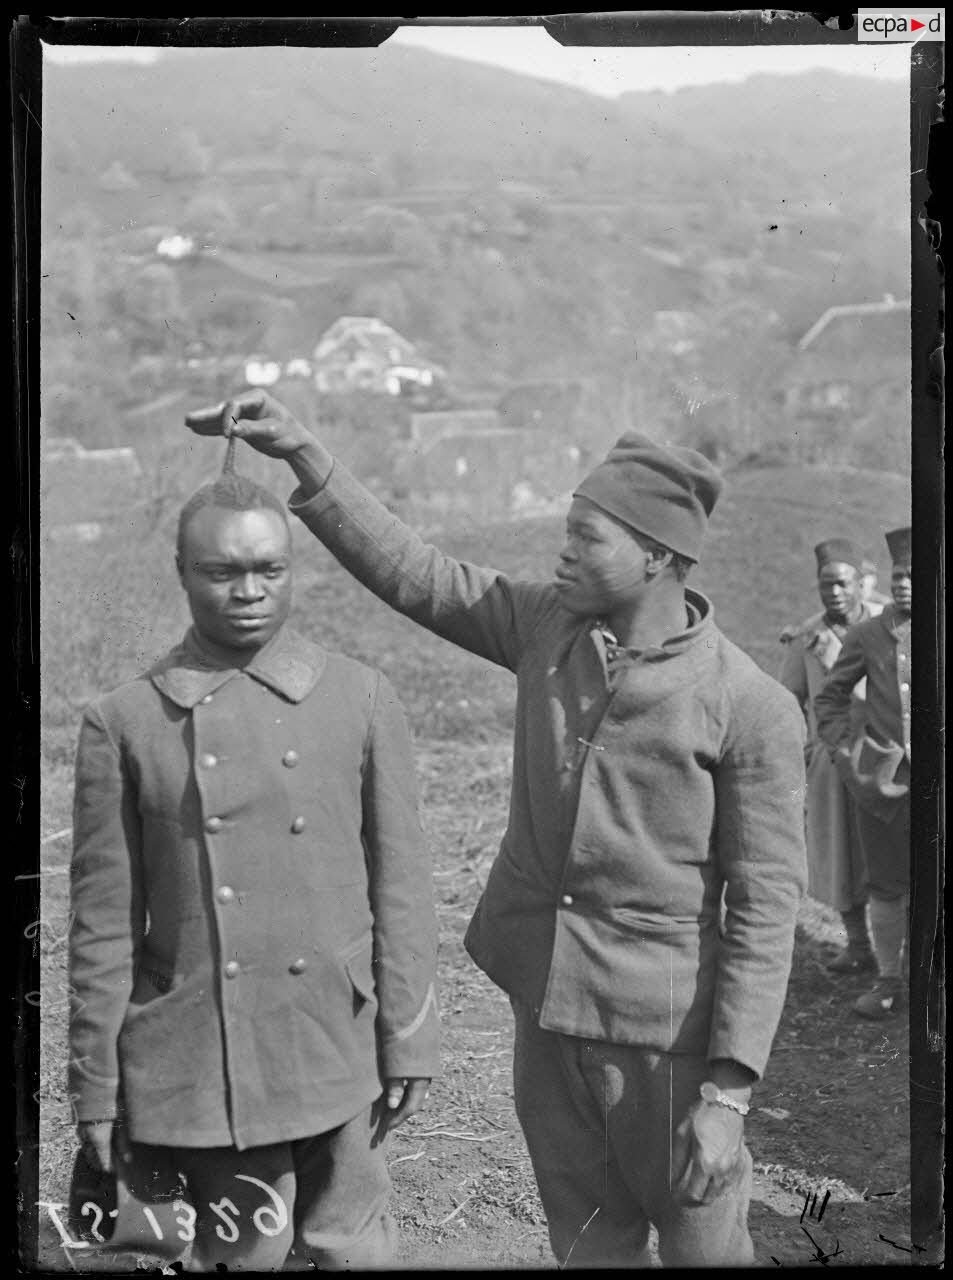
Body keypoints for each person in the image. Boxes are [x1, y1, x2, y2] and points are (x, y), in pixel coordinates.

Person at [187, 391, 808, 1269]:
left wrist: (730, 1094)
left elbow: (764, 908)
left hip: (666, 1044)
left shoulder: (749, 707)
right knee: (590, 1246)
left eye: (587, 535)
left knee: (706, 1250)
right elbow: (418, 574)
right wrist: (305, 455)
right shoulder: (545, 625)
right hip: (546, 1011)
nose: (563, 547)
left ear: (659, 556)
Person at [67, 465, 439, 1271]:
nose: (249, 592)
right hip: (201, 1058)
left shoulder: (361, 699)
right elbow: (101, 931)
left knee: (353, 1253)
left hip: (331, 1043)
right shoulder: (124, 722)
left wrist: (408, 1038)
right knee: (240, 1255)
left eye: (269, 569)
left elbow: (402, 888)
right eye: (222, 572)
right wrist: (94, 1089)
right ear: (181, 574)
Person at [815, 527, 911, 1020]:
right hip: (884, 786)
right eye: (898, 576)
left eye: (915, 576)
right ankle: (889, 981)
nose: (904, 585)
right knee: (888, 886)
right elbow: (829, 697)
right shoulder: (867, 634)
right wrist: (845, 750)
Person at [778, 538, 883, 973]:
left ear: (862, 583)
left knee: (890, 854)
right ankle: (858, 945)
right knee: (841, 854)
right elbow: (788, 698)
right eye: (826, 586)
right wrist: (805, 749)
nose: (834, 593)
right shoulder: (806, 637)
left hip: (885, 756)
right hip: (833, 761)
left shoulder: (890, 624)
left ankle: (902, 954)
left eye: (843, 584)